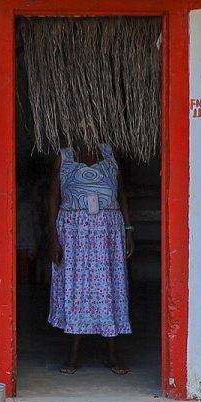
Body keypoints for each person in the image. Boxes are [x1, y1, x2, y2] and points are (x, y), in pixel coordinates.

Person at [46, 141, 133, 373]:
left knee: (109, 288)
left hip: (108, 233)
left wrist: (129, 230)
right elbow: (53, 198)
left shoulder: (109, 153)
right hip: (74, 233)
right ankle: (73, 354)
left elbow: (121, 193)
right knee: (77, 289)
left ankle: (112, 354)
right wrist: (53, 237)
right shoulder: (64, 156)